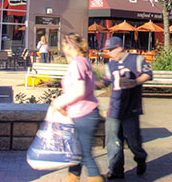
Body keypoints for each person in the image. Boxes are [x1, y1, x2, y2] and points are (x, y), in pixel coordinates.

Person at [51, 33, 102, 182]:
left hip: (83, 115)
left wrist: (59, 102)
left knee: (85, 155)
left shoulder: (77, 63)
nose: (63, 50)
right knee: (76, 155)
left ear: (70, 46)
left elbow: (79, 90)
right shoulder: (83, 61)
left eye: (63, 46)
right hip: (85, 113)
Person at [101, 36, 152, 179]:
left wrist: (134, 82)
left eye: (111, 50)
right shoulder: (110, 65)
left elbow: (148, 74)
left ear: (119, 48)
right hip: (114, 109)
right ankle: (116, 170)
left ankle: (140, 157)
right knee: (112, 141)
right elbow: (105, 81)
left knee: (133, 141)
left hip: (131, 108)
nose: (109, 53)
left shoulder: (136, 59)